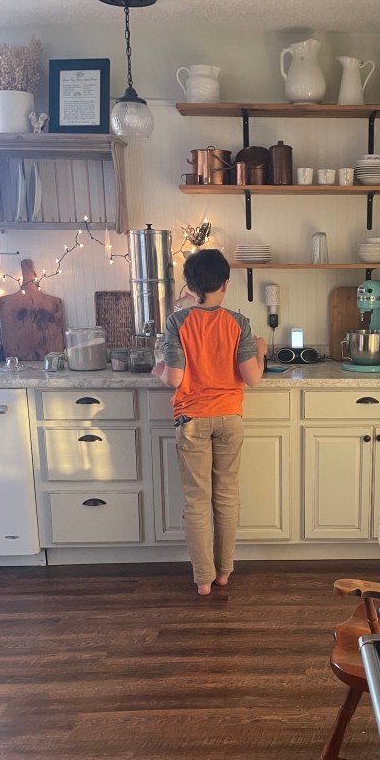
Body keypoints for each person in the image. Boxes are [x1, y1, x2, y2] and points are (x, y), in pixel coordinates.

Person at [153, 249, 267, 595]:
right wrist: (260, 352)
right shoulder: (239, 323)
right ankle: (224, 573)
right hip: (230, 418)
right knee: (227, 497)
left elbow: (174, 378)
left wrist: (159, 370)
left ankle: (203, 579)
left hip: (192, 420)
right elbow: (253, 378)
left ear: (190, 285)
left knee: (197, 501)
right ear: (226, 284)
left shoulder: (178, 322)